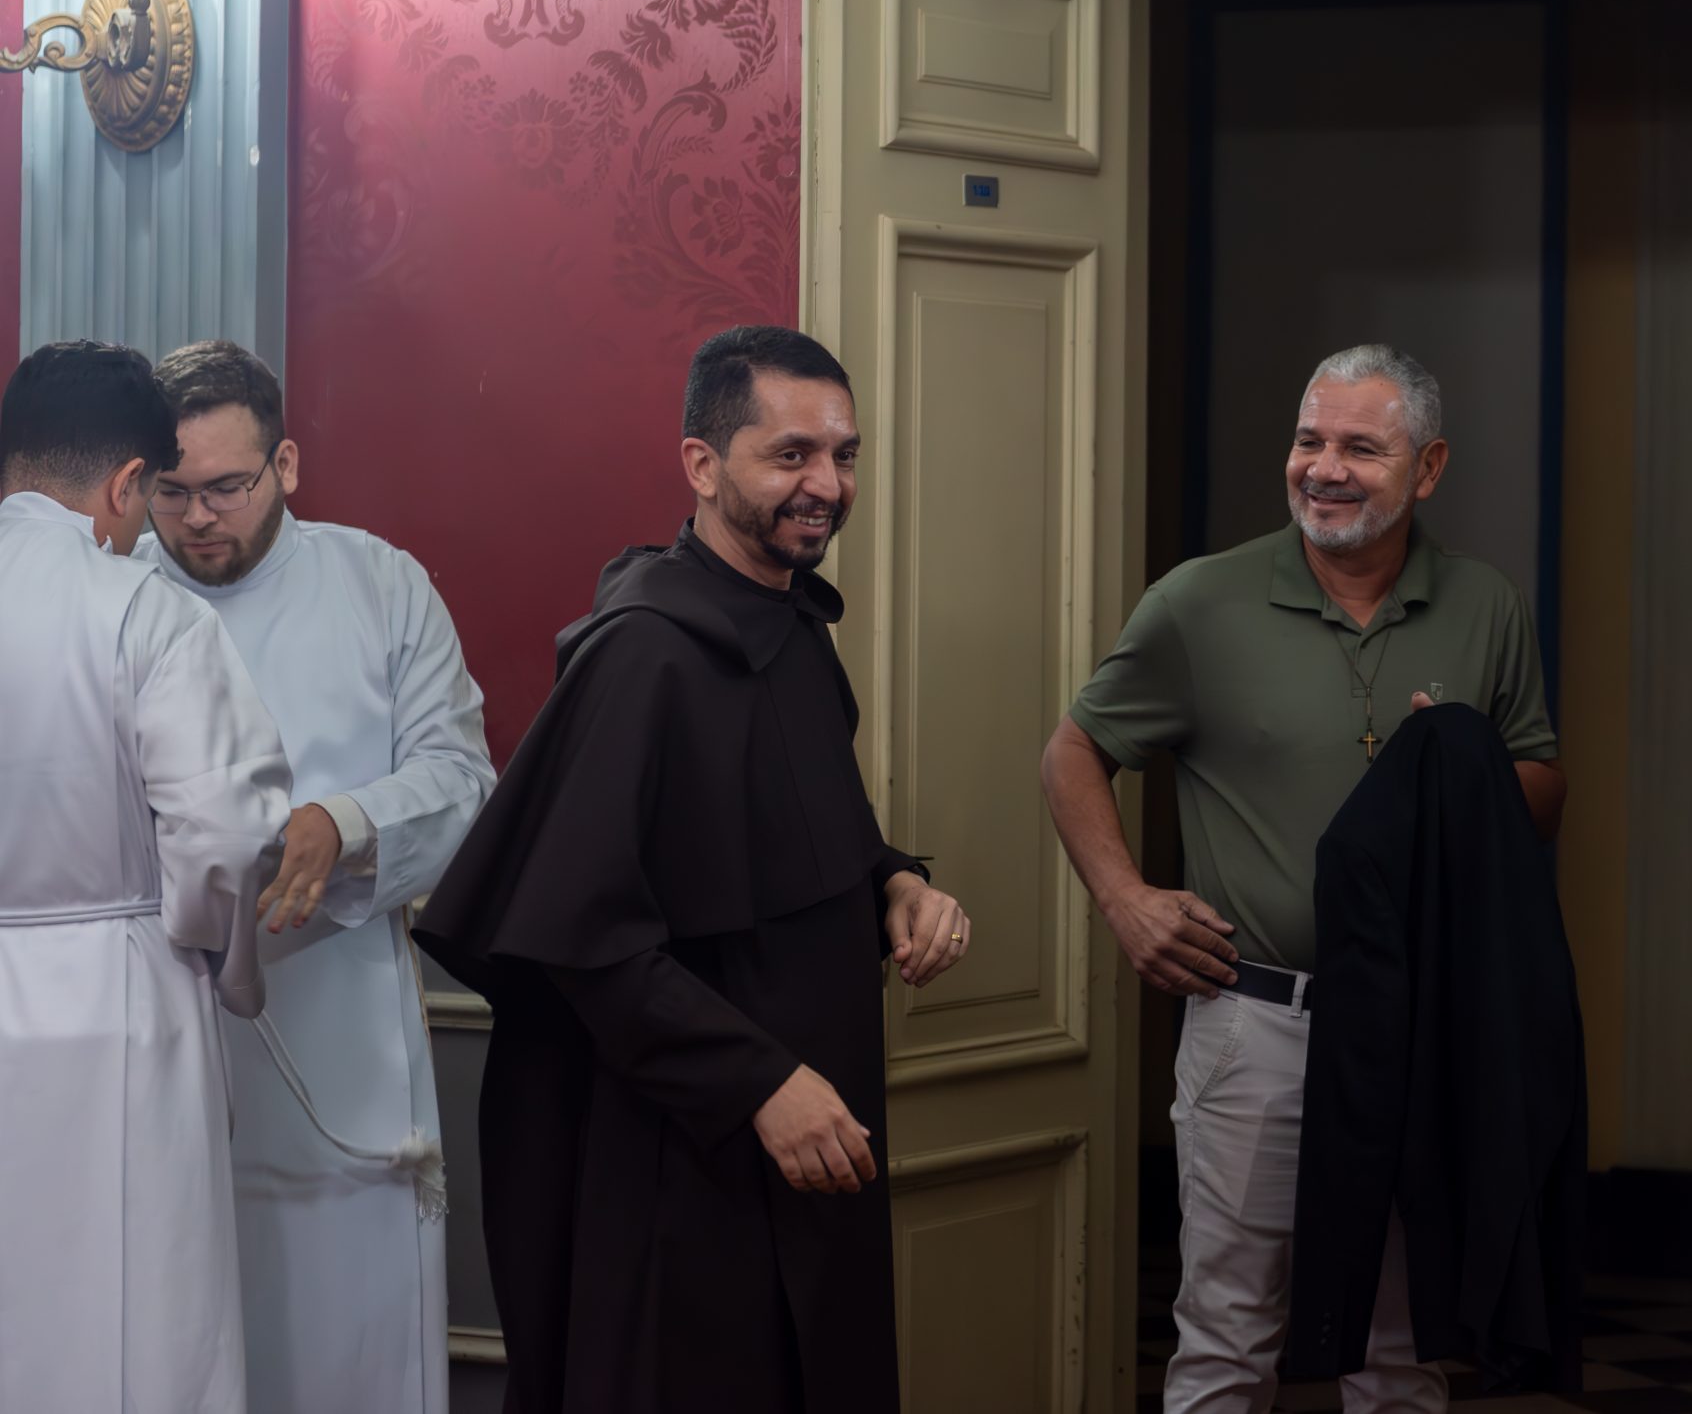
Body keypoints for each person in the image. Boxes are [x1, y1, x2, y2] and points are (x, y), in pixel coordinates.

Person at [416, 325, 972, 1413]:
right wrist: (757, 1081)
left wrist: (897, 883)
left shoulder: (793, 625)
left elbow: (808, 836)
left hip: (810, 1131)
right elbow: (581, 935)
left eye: (844, 455)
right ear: (702, 464)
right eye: (791, 454)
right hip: (683, 1155)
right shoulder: (643, 655)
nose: (827, 485)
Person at [1042, 343, 1567, 1412]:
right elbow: (1072, 750)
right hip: (1261, 1023)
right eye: (1307, 440)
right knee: (1229, 1335)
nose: (1323, 468)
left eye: (1359, 447)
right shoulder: (1200, 600)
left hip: (1421, 1026)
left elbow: (1541, 778)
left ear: (1428, 468)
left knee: (1402, 1346)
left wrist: (1456, 768)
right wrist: (1125, 899)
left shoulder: (1485, 603)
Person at [139, 340, 496, 1414]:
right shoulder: (117, 598)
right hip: (161, 1026)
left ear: (286, 464)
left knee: (346, 1350)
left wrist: (345, 823)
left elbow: (462, 777)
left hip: (341, 1034)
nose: (199, 517)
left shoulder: (380, 583)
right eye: (172, 492)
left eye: (227, 487)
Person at [0, 340, 294, 1414]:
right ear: (128, 482)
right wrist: (225, 965)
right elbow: (226, 835)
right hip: (122, 998)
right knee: (138, 1318)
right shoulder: (147, 609)